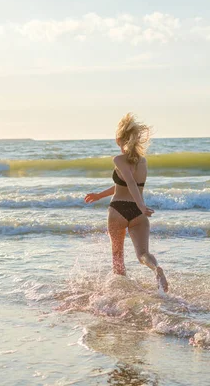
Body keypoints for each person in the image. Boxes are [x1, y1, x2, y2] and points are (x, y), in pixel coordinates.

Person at [84, 113, 169, 292]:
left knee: (117, 256)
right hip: (139, 215)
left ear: (119, 139)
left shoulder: (118, 159)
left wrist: (141, 205)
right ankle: (156, 269)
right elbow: (125, 184)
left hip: (119, 210)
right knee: (143, 254)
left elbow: (130, 182)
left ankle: (120, 294)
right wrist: (100, 195)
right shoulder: (143, 162)